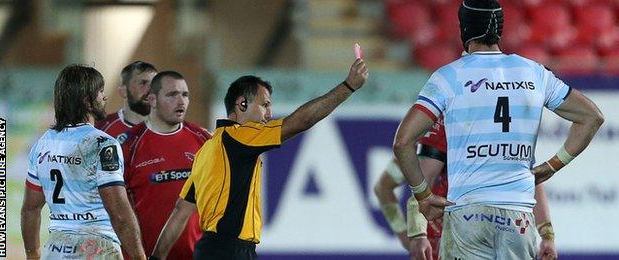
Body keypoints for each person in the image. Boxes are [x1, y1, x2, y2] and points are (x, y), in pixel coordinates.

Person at [393, 0, 604, 259]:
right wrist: (552, 165)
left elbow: (403, 142)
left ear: (464, 29)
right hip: (519, 218)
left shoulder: (449, 76)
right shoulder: (534, 73)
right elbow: (592, 117)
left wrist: (423, 196)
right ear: (499, 30)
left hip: (468, 213)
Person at [149, 58, 368, 260]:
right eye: (264, 104)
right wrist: (347, 87)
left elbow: (181, 210)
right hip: (229, 251)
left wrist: (157, 258)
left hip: (212, 249)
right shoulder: (239, 137)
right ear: (242, 104)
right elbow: (301, 121)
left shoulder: (206, 150)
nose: (269, 113)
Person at [375, 117, 557, 260]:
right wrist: (408, 236)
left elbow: (531, 182)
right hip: (442, 242)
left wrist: (547, 234)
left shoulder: (497, 132)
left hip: (483, 235)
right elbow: (383, 189)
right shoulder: (430, 138)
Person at [21, 64, 145, 259]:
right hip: (96, 247)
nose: (105, 97)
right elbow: (119, 215)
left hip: (55, 248)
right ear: (87, 101)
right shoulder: (103, 144)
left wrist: (32, 255)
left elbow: (30, 208)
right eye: (100, 91)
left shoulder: (42, 144)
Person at [121, 71, 211, 259]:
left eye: (185, 95)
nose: (181, 101)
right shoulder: (128, 146)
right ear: (152, 100)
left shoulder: (204, 139)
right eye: (172, 95)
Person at [95, 61, 157, 142]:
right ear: (123, 91)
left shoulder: (170, 128)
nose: (150, 89)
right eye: (143, 83)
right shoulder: (102, 129)